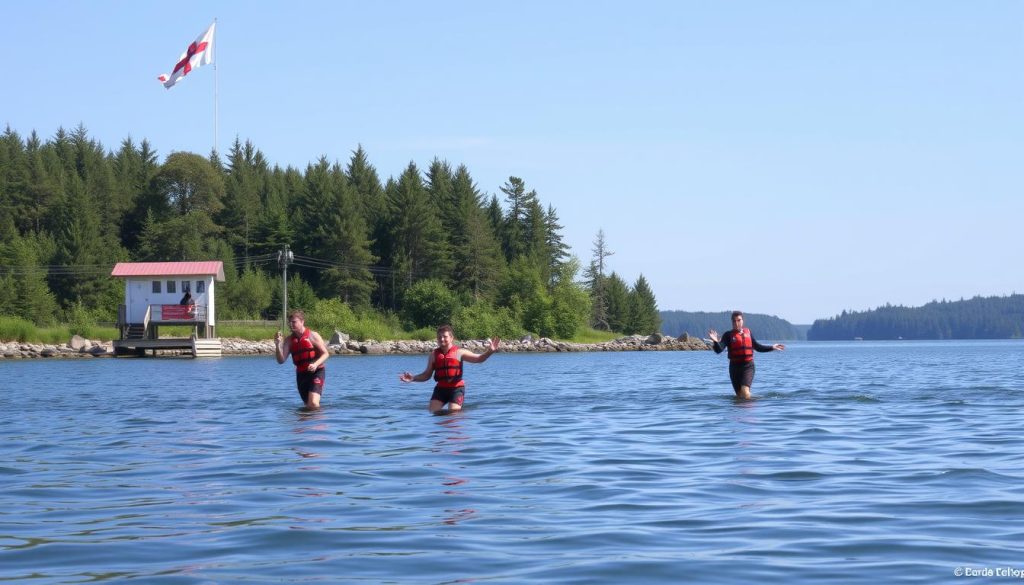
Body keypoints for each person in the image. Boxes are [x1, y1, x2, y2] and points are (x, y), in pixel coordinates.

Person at [399, 325, 500, 413]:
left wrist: (489, 352)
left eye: (445, 337)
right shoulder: (434, 355)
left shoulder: (460, 352)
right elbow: (427, 375)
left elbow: (479, 359)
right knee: (433, 413)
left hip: (456, 389)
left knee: (453, 414)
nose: (442, 339)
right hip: (440, 389)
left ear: (451, 338)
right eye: (439, 337)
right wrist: (413, 378)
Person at [708, 311, 785, 400]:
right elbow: (718, 350)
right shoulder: (728, 335)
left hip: (748, 366)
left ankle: (750, 411)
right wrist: (715, 341)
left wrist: (772, 347)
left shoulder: (748, 332)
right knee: (739, 396)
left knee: (745, 392)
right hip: (734, 368)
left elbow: (757, 347)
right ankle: (740, 412)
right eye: (734, 321)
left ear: (742, 321)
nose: (736, 323)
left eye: (738, 320)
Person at [275, 309, 329, 408]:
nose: (291, 325)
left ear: (302, 322)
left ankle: (320, 423)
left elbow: (326, 354)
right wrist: (278, 345)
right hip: (301, 375)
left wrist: (315, 364)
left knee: (313, 403)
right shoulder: (289, 341)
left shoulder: (313, 335)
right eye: (289, 323)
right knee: (308, 406)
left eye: (294, 322)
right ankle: (308, 423)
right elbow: (281, 360)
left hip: (317, 371)